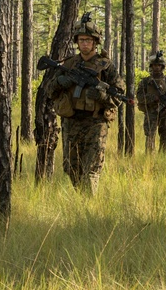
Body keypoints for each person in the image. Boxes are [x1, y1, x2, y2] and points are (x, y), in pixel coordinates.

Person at [48, 13, 125, 194]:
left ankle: (90, 205)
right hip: (71, 121)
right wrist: (60, 82)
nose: (84, 43)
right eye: (81, 40)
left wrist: (102, 97)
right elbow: (50, 91)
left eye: (88, 40)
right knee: (71, 167)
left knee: (91, 168)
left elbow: (119, 96)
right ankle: (81, 199)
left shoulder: (106, 66)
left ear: (95, 42)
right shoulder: (68, 64)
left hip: (95, 122)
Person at [136, 51, 166, 153]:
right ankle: (149, 158)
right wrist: (153, 98)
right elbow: (140, 97)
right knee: (150, 137)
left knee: (165, 137)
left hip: (165, 113)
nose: (157, 67)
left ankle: (164, 157)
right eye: (154, 65)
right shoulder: (145, 82)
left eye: (159, 65)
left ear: (162, 67)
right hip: (151, 112)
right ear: (151, 66)